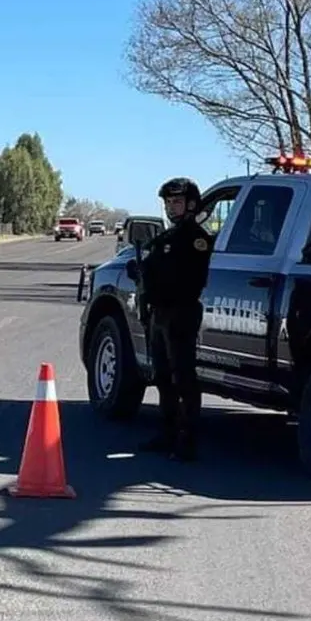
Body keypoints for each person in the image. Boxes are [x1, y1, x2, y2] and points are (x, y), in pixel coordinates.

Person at [132, 177, 215, 461]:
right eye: (168, 202)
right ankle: (167, 432)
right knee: (162, 376)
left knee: (184, 377)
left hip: (181, 312)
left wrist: (160, 279)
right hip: (159, 313)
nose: (171, 207)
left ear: (191, 204)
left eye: (177, 202)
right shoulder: (165, 238)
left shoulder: (196, 239)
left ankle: (188, 439)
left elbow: (192, 280)